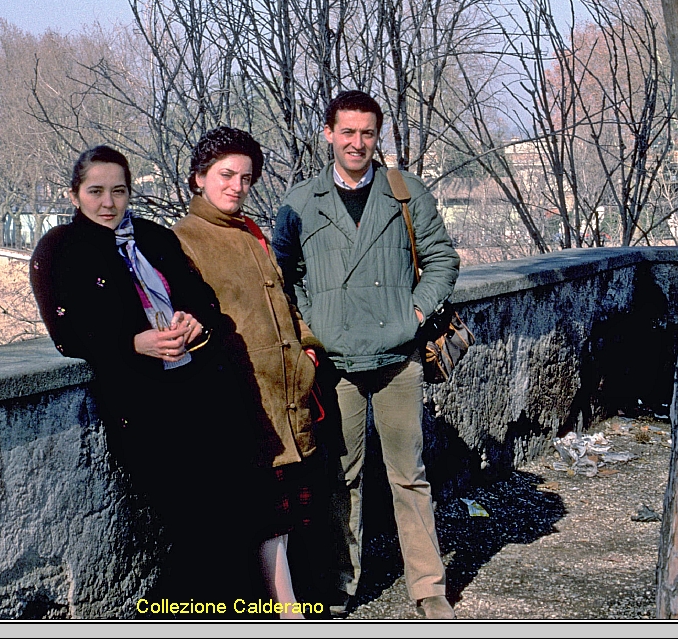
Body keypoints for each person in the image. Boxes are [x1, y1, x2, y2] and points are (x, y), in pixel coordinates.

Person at [29, 145, 259, 607]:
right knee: (190, 525)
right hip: (143, 406)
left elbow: (201, 298)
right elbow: (67, 332)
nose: (108, 203)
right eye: (95, 191)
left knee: (230, 518)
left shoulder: (154, 237)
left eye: (118, 191)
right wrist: (131, 344)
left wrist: (195, 320)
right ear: (75, 195)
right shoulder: (59, 249)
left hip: (202, 393)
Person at [272, 91, 461, 620]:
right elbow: (282, 278)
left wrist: (417, 314)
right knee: (340, 476)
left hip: (399, 358)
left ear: (378, 137)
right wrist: (313, 330)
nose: (357, 143)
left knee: (409, 473)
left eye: (367, 134)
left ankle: (428, 587)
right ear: (328, 134)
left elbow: (443, 258)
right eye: (347, 132)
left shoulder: (405, 192)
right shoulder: (300, 202)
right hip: (337, 365)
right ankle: (339, 582)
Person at [172, 127, 324, 619]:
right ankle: (289, 611)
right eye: (225, 175)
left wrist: (308, 351)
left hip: (288, 393)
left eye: (245, 178)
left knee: (286, 513)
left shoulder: (253, 234)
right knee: (265, 515)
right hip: (244, 400)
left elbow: (281, 304)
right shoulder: (183, 241)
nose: (236, 186)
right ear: (199, 178)